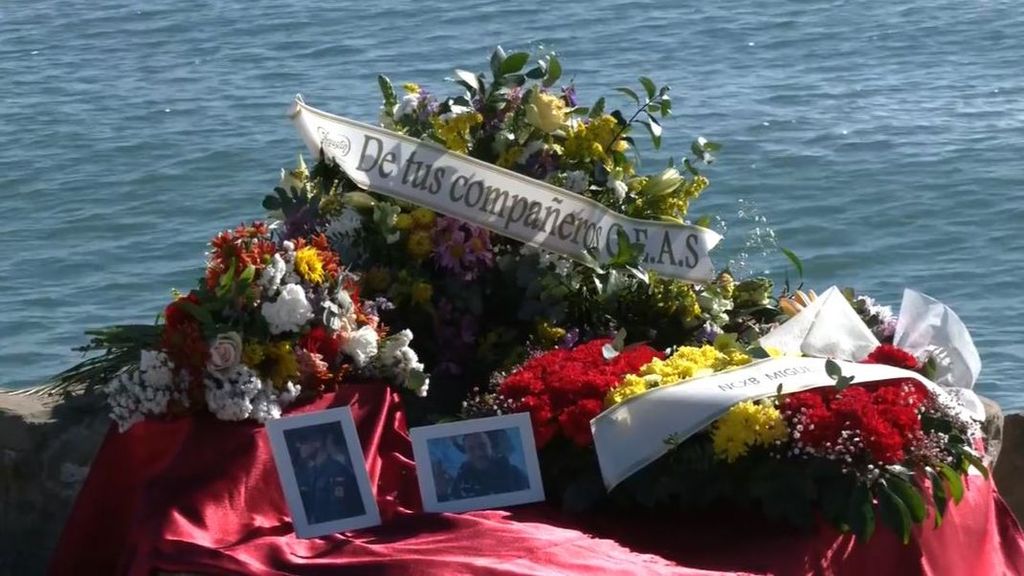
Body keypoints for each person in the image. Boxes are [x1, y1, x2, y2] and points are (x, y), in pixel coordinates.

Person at [291, 426, 365, 524]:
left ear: (317, 442)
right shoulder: (313, 472)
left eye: (302, 441)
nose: (298, 445)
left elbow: (338, 513)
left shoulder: (337, 471)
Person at [445, 430, 528, 501]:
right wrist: (441, 494)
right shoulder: (462, 479)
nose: (479, 453)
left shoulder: (514, 474)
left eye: (482, 446)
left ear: (491, 446)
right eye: (471, 449)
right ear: (466, 453)